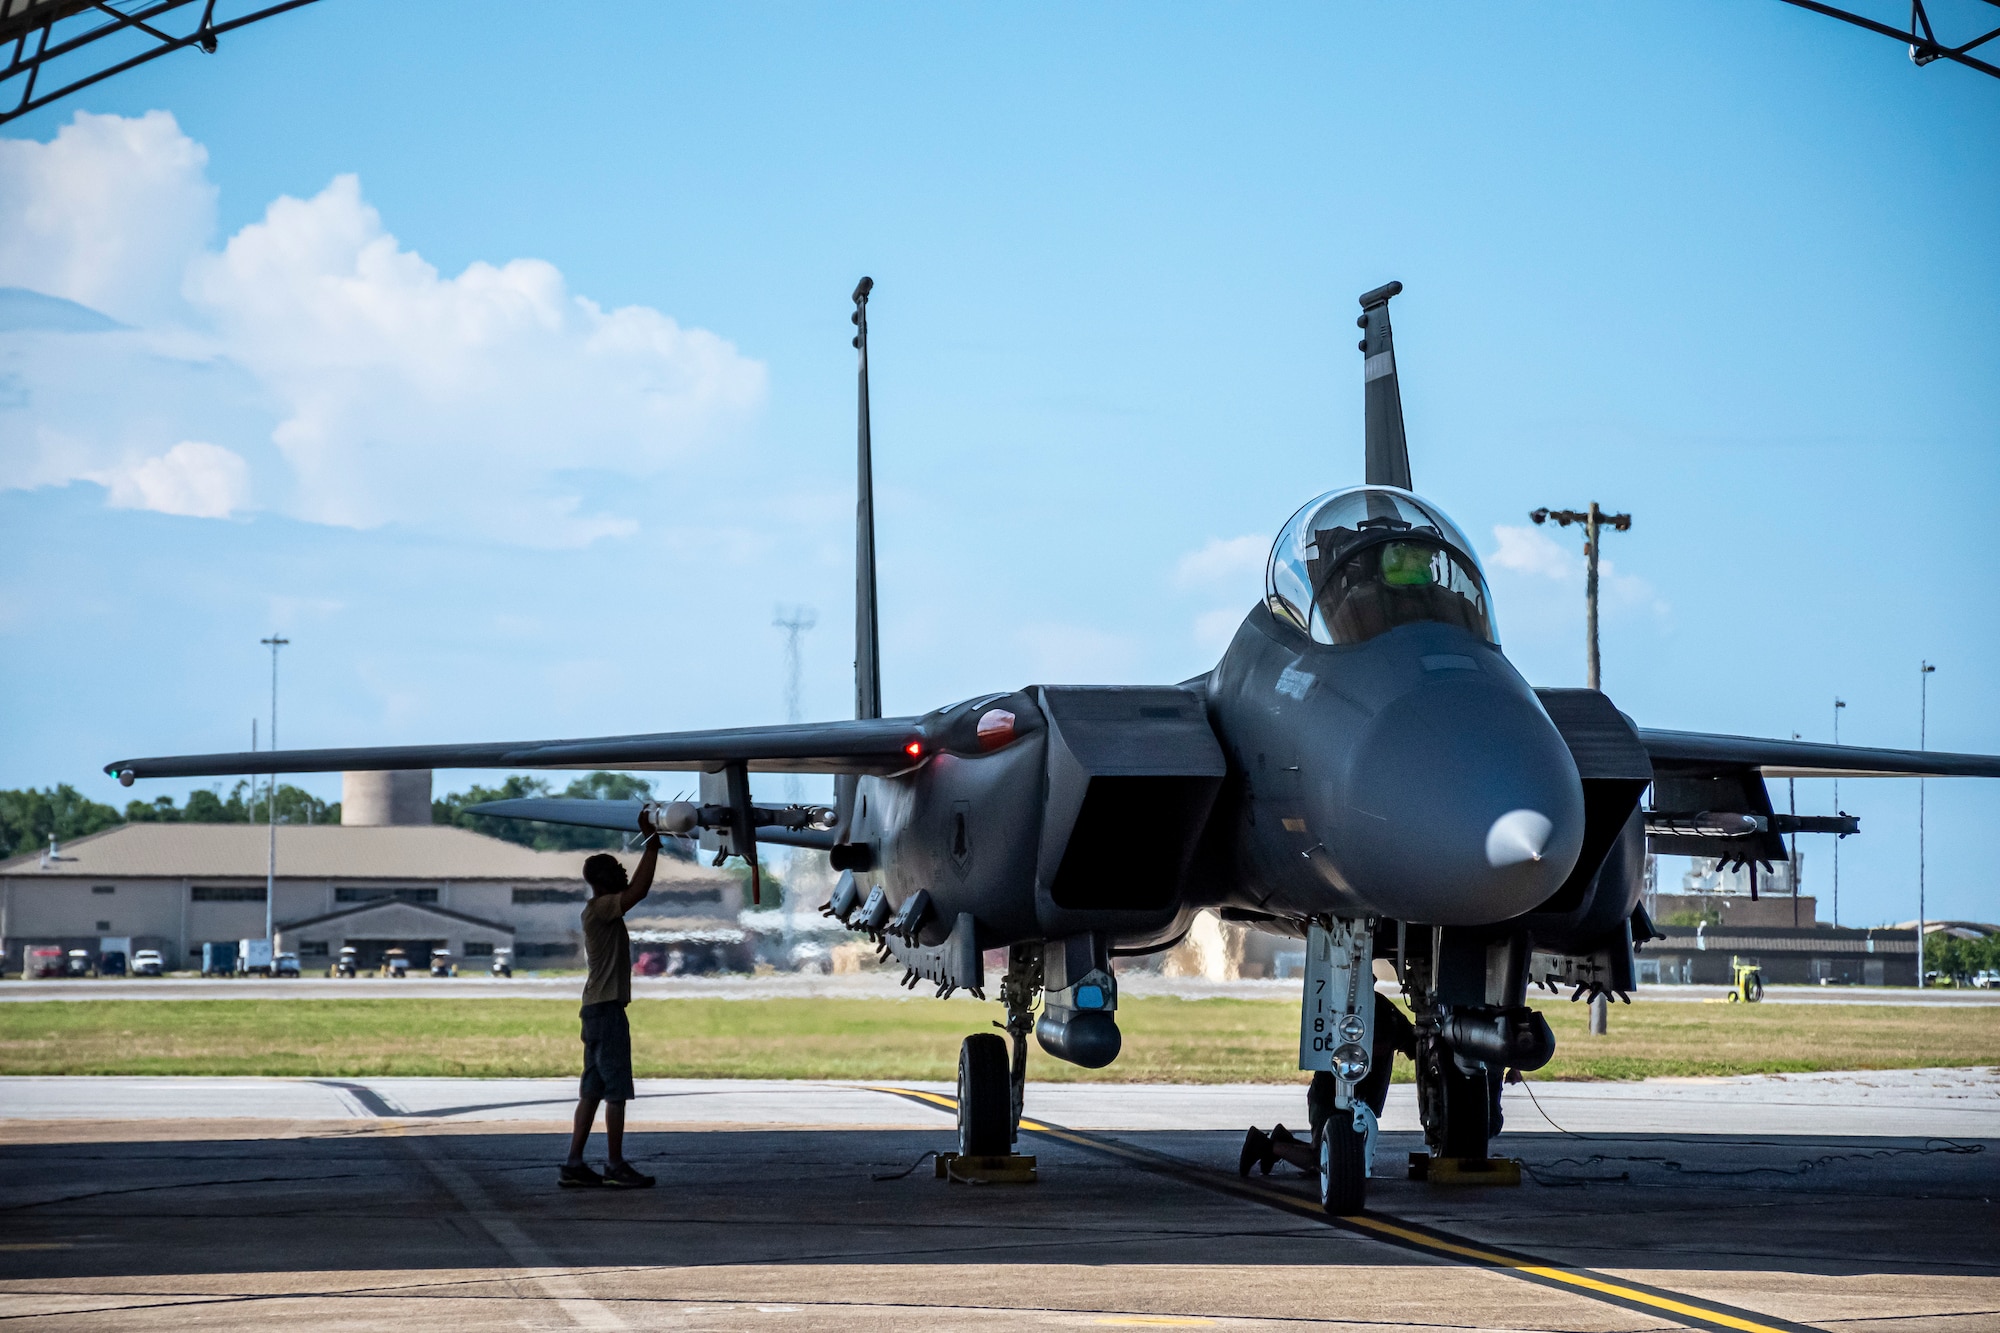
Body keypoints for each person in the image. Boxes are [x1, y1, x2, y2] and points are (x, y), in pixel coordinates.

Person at [560, 813, 660, 1188]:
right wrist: (652, 845)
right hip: (606, 1011)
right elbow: (639, 891)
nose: (623, 873)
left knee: (593, 1089)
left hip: (595, 1009)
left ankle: (574, 1163)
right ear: (603, 880)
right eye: (618, 869)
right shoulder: (602, 907)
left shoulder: (597, 910)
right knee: (615, 1090)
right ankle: (615, 1164)